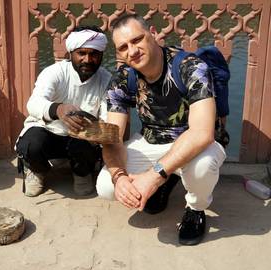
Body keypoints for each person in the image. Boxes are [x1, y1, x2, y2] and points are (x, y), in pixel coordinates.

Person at [96, 14, 226, 245]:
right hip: (151, 141)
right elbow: (112, 137)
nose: (132, 51)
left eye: (137, 40)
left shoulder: (190, 67)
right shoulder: (123, 79)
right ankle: (168, 179)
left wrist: (152, 177)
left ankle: (195, 209)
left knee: (202, 167)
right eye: (123, 47)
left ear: (153, 33)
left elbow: (202, 133)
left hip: (193, 143)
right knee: (106, 186)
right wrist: (120, 177)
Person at [15, 25, 111, 197]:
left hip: (81, 138)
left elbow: (107, 119)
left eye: (94, 54)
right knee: (31, 144)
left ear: (102, 55)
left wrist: (94, 129)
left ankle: (82, 173)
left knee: (83, 144)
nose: (88, 60)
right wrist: (58, 109)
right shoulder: (54, 72)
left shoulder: (106, 79)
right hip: (49, 131)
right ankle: (38, 171)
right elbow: (33, 103)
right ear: (71, 53)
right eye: (81, 53)